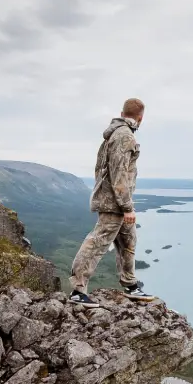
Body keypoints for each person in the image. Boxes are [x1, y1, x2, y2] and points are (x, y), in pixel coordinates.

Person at [69, 98, 155, 307]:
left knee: (129, 240)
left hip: (116, 200)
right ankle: (77, 290)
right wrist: (126, 207)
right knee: (97, 242)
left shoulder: (115, 134)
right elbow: (119, 174)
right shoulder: (124, 136)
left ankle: (130, 284)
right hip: (115, 203)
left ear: (122, 112)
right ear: (140, 118)